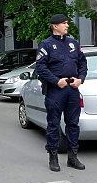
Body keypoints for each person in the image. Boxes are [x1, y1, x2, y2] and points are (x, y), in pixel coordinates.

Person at [35, 13, 88, 172]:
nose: (67, 26)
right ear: (55, 26)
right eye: (64, 23)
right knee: (53, 124)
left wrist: (81, 79)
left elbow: (83, 63)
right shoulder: (46, 45)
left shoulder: (73, 43)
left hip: (72, 89)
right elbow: (41, 68)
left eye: (67, 23)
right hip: (56, 90)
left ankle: (73, 157)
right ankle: (53, 157)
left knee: (73, 124)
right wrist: (56, 81)